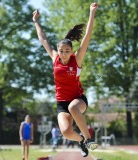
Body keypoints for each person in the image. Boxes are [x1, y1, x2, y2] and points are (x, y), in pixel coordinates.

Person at [32, 2, 98, 157]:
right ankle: (81, 140)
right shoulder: (55, 57)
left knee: (73, 108)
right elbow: (43, 39)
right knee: (66, 132)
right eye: (61, 51)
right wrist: (36, 21)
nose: (64, 54)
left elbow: (87, 36)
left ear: (71, 51)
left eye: (67, 51)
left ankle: (89, 139)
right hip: (61, 102)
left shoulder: (77, 59)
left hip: (77, 99)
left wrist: (91, 13)